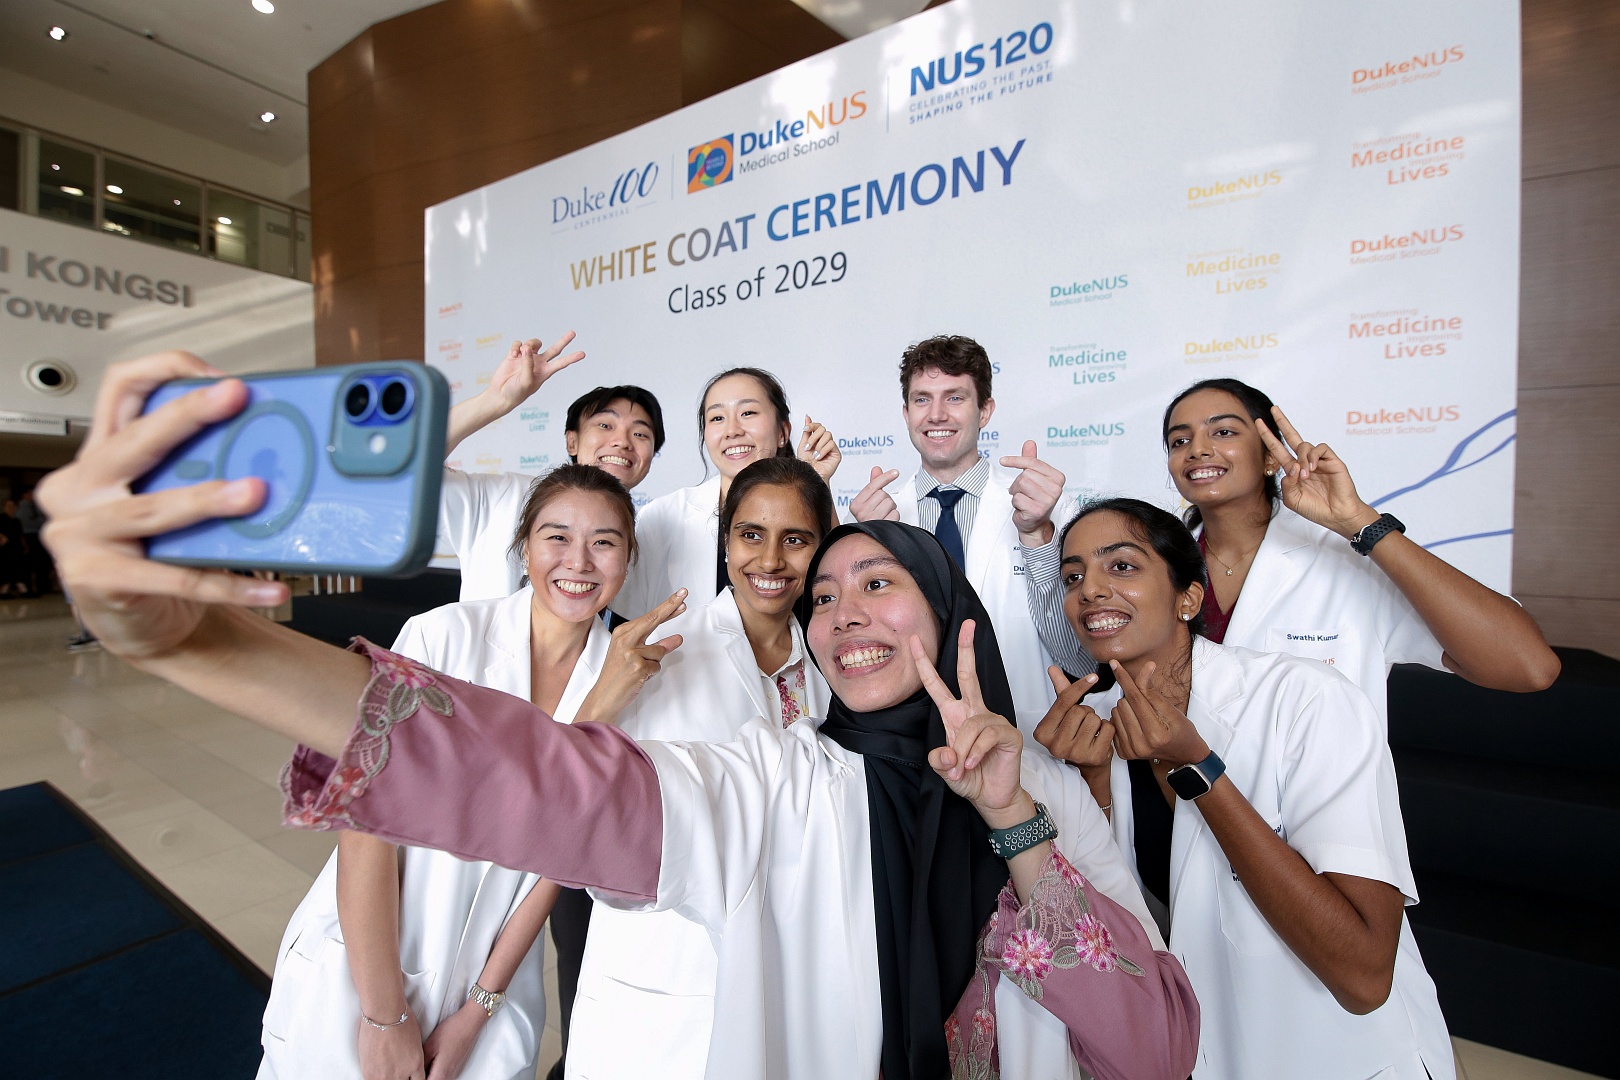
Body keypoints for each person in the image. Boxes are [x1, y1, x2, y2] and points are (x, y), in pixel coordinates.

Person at [39, 352, 1199, 1080]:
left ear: (954, 616)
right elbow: (537, 780)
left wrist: (1016, 829)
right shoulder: (782, 782)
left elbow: (1157, 1049)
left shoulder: (1038, 796)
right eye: (823, 589)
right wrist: (194, 641)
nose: (834, 606)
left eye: (874, 580)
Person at [256, 464, 666, 1080]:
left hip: (496, 987)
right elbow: (366, 831)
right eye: (556, 537)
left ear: (627, 559)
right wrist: (383, 1016)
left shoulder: (626, 679)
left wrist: (478, 1010)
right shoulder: (441, 638)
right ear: (524, 547)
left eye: (603, 542)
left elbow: (562, 856)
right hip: (369, 965)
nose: (578, 561)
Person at [1033, 497, 1453, 1079]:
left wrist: (1198, 769)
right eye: (1073, 576)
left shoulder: (1305, 700)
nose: (1090, 590)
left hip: (1343, 1054)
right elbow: (1129, 937)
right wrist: (1093, 788)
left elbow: (1362, 975)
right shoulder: (1093, 733)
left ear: (1189, 597)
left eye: (1121, 566)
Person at [1025, 378, 1559, 727]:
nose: (1199, 450)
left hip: (1315, 838)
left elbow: (1529, 668)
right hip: (1175, 824)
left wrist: (1360, 524)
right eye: (1180, 440)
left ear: (1269, 455)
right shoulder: (1157, 568)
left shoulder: (1348, 559)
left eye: (1224, 432)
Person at [565, 457, 837, 1080]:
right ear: (724, 538)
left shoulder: (828, 664)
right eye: (750, 535)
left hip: (784, 965)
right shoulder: (653, 653)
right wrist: (604, 699)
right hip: (665, 978)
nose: (769, 561)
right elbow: (567, 797)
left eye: (795, 539)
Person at [849, 334, 1079, 736]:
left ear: (985, 410)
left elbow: (1079, 658)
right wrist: (869, 542)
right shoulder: (876, 518)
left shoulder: (1050, 507)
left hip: (1031, 739)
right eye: (922, 399)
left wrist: (1040, 536)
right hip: (916, 742)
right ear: (905, 413)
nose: (936, 415)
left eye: (954, 397)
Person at [436, 333, 667, 602]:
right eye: (605, 425)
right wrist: (495, 400)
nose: (622, 442)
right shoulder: (505, 497)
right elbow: (414, 469)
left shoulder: (650, 537)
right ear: (572, 441)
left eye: (640, 434)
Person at [610, 366, 841, 619]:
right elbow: (627, 616)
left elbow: (835, 589)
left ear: (782, 432)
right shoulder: (662, 516)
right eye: (717, 418)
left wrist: (816, 485)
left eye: (748, 412)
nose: (732, 430)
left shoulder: (813, 501)